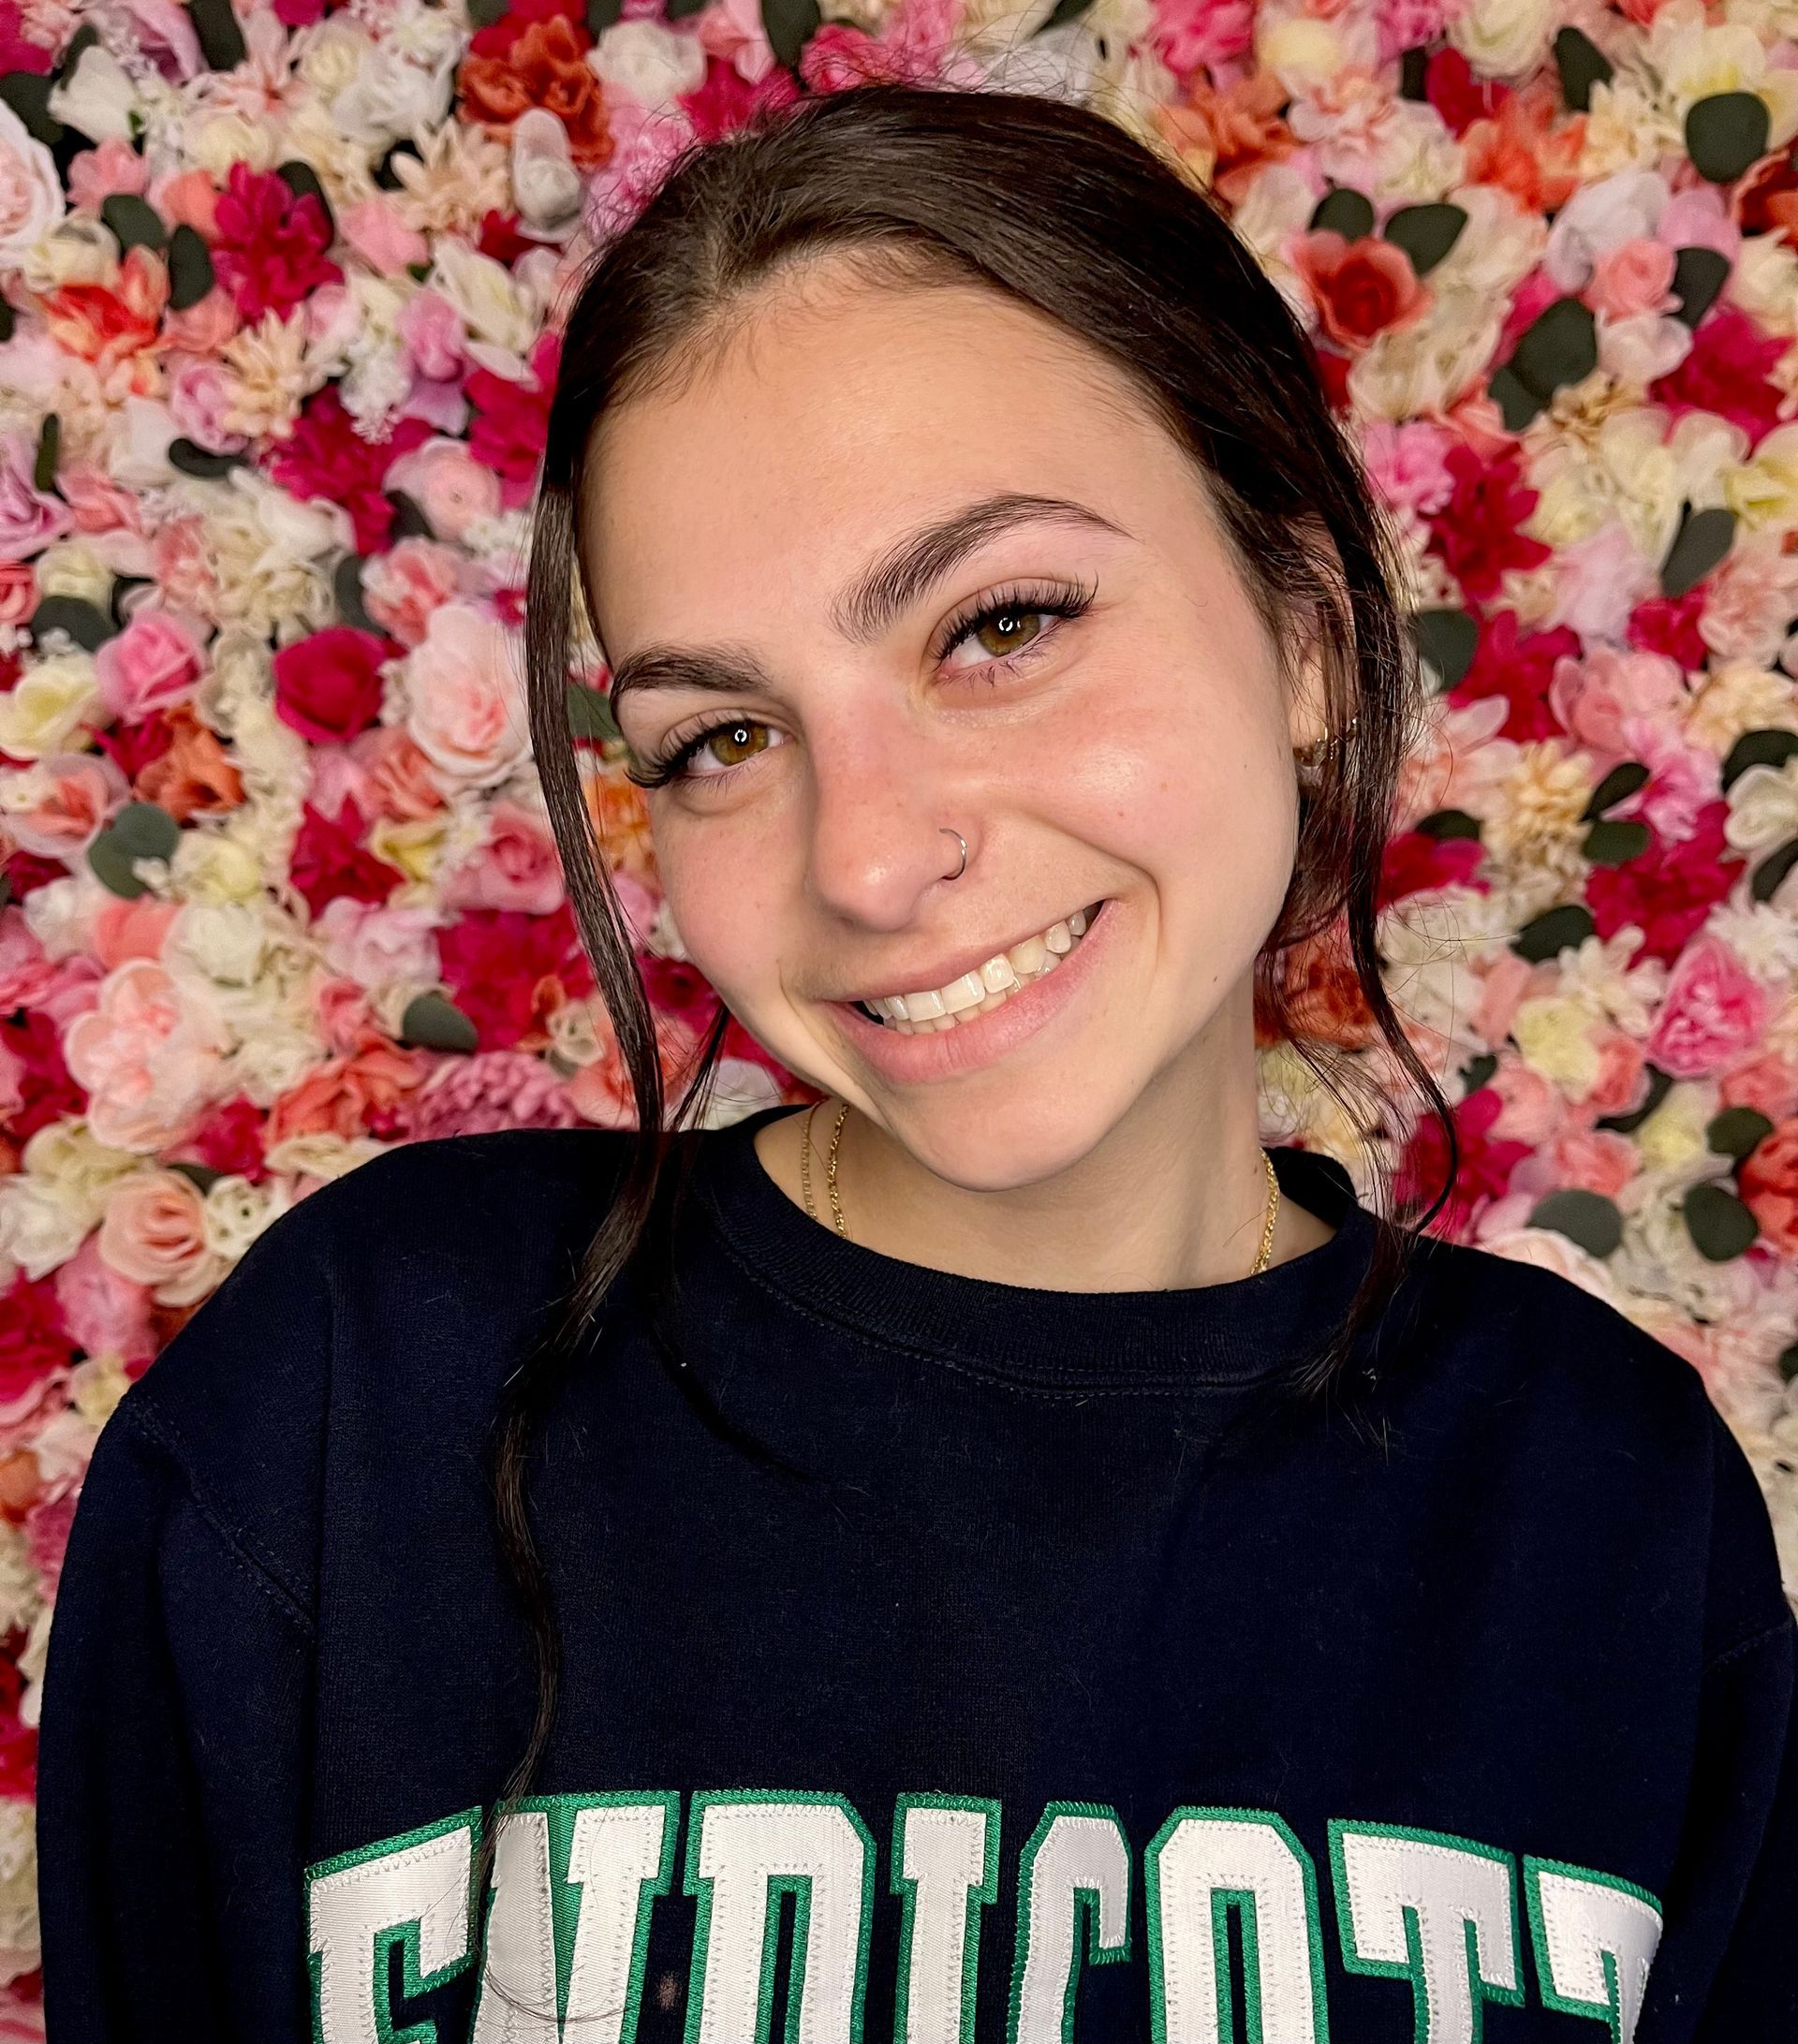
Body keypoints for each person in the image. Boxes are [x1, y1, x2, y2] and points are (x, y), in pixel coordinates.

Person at [34, 80, 1795, 2044]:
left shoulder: (1614, 1515)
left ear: (1301, 625)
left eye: (1002, 624)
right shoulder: (350, 1404)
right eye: (720, 736)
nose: (868, 862)